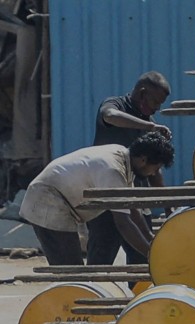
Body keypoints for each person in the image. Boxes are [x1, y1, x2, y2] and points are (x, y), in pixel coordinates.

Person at [19, 132, 176, 266]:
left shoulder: (123, 157)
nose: (153, 174)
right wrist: (152, 256)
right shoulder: (113, 170)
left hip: (57, 200)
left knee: (73, 272)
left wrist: (152, 241)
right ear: (143, 160)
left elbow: (133, 210)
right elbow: (123, 222)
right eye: (155, 169)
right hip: (47, 200)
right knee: (71, 271)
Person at [87, 71, 172, 265]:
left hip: (137, 201)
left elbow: (155, 171)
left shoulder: (148, 123)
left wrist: (169, 208)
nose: (156, 109)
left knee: (142, 258)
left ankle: (142, 294)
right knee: (101, 257)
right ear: (142, 94)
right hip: (106, 199)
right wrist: (149, 127)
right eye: (155, 103)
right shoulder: (116, 105)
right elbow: (109, 116)